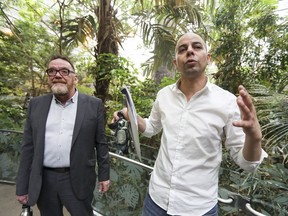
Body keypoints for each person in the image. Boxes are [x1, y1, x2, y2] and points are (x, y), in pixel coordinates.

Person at [113, 33, 267, 216]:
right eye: (183, 49)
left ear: (207, 58)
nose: (190, 52)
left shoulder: (226, 102)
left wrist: (254, 137)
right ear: (175, 62)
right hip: (156, 200)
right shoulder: (164, 95)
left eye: (197, 47)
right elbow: (151, 128)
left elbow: (247, 164)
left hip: (198, 209)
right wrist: (129, 114)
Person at [16, 55, 110, 216]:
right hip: (44, 180)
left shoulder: (93, 105)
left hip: (78, 178)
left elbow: (101, 143)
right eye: (52, 71)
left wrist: (104, 175)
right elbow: (28, 148)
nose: (57, 75)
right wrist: (22, 186)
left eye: (64, 71)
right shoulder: (36, 105)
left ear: (75, 79)